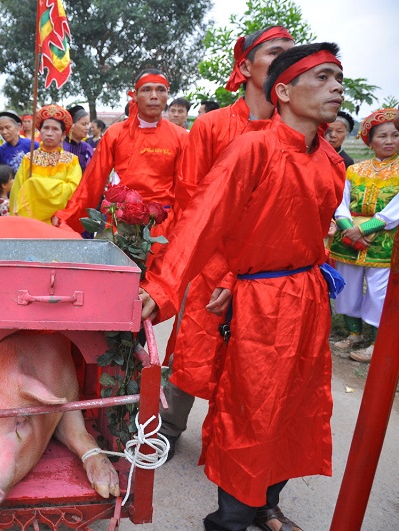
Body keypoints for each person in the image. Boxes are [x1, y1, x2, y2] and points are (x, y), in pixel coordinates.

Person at [139, 42, 345, 531]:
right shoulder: (252, 147)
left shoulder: (332, 162)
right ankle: (229, 519)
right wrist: (164, 288)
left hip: (310, 299)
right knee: (251, 410)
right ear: (284, 91)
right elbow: (203, 219)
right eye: (322, 77)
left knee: (299, 406)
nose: (336, 87)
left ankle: (265, 506)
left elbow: (313, 234)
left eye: (339, 77)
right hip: (264, 303)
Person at [160, 25, 294, 459]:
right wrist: (221, 272)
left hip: (264, 273)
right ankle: (169, 427)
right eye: (275, 53)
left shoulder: (292, 133)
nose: (286, 61)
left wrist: (245, 273)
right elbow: (192, 205)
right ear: (244, 67)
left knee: (250, 362)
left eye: (293, 54)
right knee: (191, 351)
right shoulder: (212, 126)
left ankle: (230, 442)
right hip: (209, 266)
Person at [54, 69, 187, 244]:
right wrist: (68, 216)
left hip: (163, 227)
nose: (154, 96)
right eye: (146, 90)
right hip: (121, 224)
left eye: (160, 90)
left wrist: (184, 227)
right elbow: (93, 181)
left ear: (167, 95)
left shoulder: (181, 137)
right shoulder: (115, 133)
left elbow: (185, 188)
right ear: (135, 95)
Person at [329, 108, 399, 363]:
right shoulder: (354, 170)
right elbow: (341, 202)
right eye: (382, 136)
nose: (389, 141)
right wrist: (349, 227)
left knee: (378, 293)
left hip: (383, 242)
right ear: (370, 140)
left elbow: (395, 209)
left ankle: (376, 343)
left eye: (395, 135)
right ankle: (353, 333)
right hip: (349, 240)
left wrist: (364, 229)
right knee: (348, 288)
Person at [10, 104, 81, 223]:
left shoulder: (71, 161)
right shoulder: (29, 159)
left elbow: (74, 192)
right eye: (46, 128)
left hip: (58, 221)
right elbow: (17, 192)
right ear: (40, 131)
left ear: (63, 134)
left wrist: (34, 185)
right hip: (30, 222)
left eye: (55, 129)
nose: (49, 133)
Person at [63, 105, 94, 171]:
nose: (87, 127)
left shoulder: (87, 148)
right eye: (83, 124)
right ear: (72, 125)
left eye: (88, 124)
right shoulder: (61, 148)